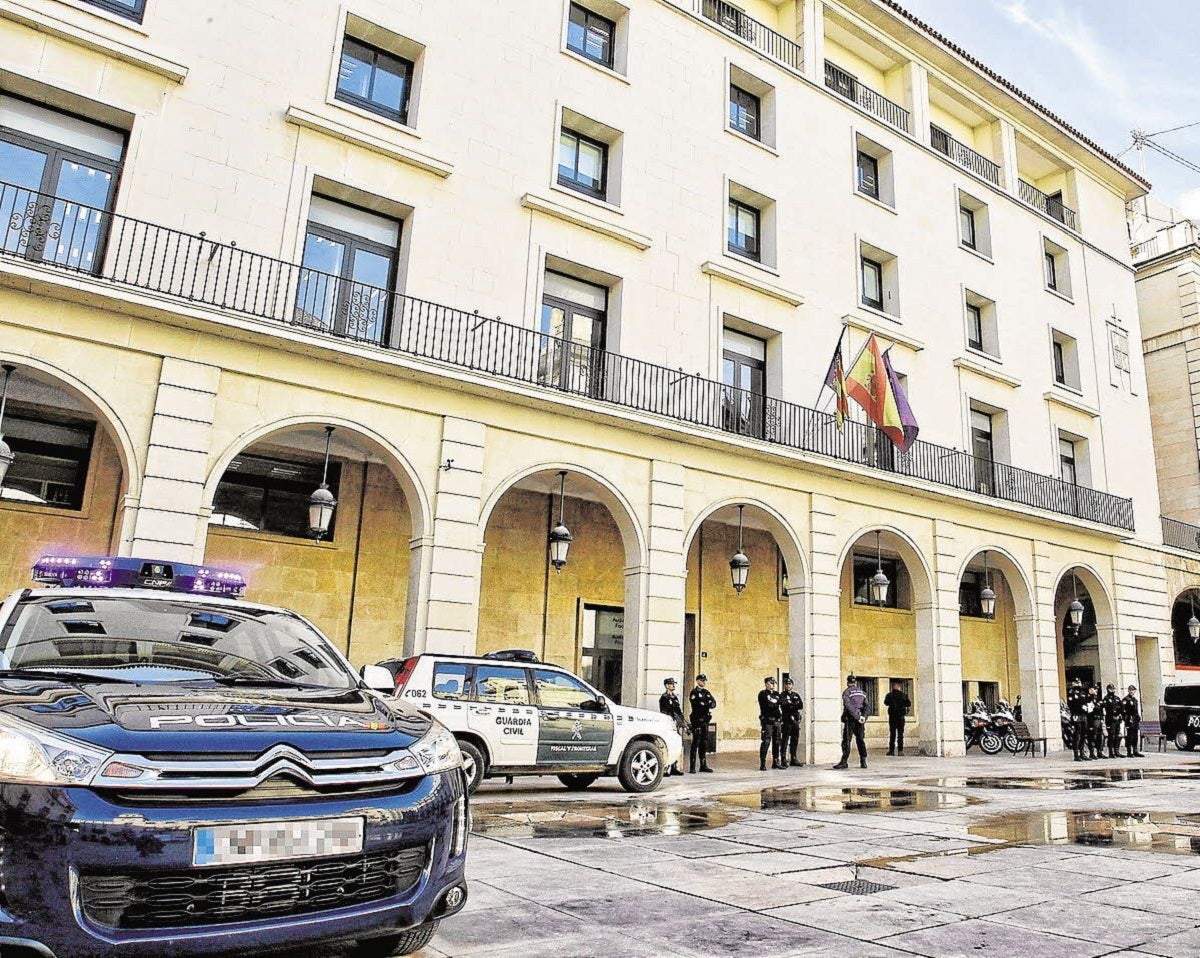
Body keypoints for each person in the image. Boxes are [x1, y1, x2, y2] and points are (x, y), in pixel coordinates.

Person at [833, 674, 868, 769]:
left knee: (847, 740)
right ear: (855, 682)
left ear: (848, 682)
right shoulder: (862, 692)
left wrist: (856, 717)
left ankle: (844, 761)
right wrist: (863, 717)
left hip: (851, 719)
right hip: (860, 719)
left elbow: (848, 706)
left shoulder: (847, 692)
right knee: (860, 740)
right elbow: (867, 707)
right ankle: (863, 760)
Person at [688, 674, 716, 773]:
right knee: (695, 742)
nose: (704, 682)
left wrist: (706, 703)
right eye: (702, 680)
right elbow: (698, 705)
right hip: (697, 720)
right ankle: (692, 766)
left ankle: (703, 765)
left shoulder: (706, 692)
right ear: (697, 681)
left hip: (705, 720)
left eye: (704, 680)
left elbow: (713, 703)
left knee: (704, 743)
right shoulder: (694, 692)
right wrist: (706, 704)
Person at [659, 677, 686, 776]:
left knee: (675, 744)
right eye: (671, 684)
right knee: (668, 745)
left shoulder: (674, 697)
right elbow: (665, 712)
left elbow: (678, 711)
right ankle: (666, 769)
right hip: (668, 723)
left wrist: (682, 722)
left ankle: (674, 767)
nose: (673, 685)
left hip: (675, 723)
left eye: (673, 684)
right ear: (666, 686)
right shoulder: (664, 698)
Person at [758, 677, 784, 770]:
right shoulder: (762, 694)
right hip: (768, 721)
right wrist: (775, 703)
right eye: (771, 683)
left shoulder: (777, 694)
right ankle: (763, 763)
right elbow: (768, 705)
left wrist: (775, 703)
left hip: (777, 721)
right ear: (766, 684)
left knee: (777, 742)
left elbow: (782, 702)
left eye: (774, 683)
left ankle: (776, 761)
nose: (773, 685)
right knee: (766, 741)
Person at [780, 677, 805, 767]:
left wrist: (792, 704)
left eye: (790, 684)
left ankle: (793, 758)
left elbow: (801, 705)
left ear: (792, 685)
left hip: (795, 720)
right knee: (785, 740)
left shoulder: (795, 694)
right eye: (786, 684)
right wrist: (793, 704)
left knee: (795, 739)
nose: (788, 686)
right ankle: (783, 758)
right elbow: (785, 705)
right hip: (786, 720)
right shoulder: (782, 695)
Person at [883, 680, 911, 756]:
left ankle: (891, 751)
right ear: (899, 687)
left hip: (892, 717)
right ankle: (900, 751)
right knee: (900, 734)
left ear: (893, 687)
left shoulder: (889, 695)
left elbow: (885, 703)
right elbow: (908, 704)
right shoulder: (903, 695)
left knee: (892, 734)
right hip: (901, 717)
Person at [1067, 677, 1089, 761]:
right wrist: (1080, 707)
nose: (1078, 684)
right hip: (1076, 715)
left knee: (1084, 734)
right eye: (1076, 683)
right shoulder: (1071, 693)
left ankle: (1082, 752)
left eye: (1079, 682)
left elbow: (1086, 702)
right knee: (1077, 734)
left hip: (1083, 715)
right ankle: (1076, 754)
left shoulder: (1083, 692)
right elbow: (1072, 705)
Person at [1102, 683, 1124, 759]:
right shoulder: (1106, 699)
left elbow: (1122, 708)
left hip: (1117, 719)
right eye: (1111, 689)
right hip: (1110, 720)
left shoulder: (1117, 698)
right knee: (1111, 736)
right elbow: (1104, 709)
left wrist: (1119, 715)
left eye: (1113, 689)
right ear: (1108, 690)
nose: (1112, 690)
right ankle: (1111, 752)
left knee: (1117, 735)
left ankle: (1116, 751)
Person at [1123, 684, 1144, 757]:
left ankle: (1135, 750)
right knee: (1130, 736)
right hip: (1129, 719)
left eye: (1133, 690)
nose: (1132, 692)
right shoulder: (1126, 699)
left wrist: (1138, 717)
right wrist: (1126, 719)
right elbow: (1123, 711)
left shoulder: (1135, 700)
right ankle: (1129, 751)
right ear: (1128, 691)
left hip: (1135, 719)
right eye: (1130, 690)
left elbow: (1136, 710)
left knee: (1135, 736)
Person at [1086, 683, 1105, 759]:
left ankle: (1099, 751)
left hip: (1099, 718)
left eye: (1097, 689)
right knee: (1092, 736)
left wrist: (1102, 719)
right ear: (1090, 690)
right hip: (1092, 719)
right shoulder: (1088, 698)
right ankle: (1091, 752)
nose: (1096, 690)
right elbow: (1090, 710)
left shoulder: (1098, 698)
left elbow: (1101, 708)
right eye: (1094, 689)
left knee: (1100, 736)